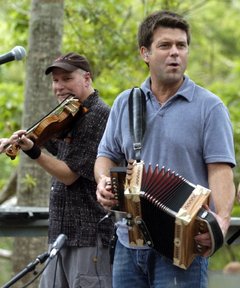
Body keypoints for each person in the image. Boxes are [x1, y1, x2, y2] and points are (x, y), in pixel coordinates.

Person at [94, 10, 236, 288]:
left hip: (183, 246)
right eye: (165, 45)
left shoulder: (210, 107)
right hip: (128, 241)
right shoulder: (126, 103)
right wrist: (102, 182)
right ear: (145, 53)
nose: (175, 53)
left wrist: (220, 223)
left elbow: (221, 171)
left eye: (181, 46)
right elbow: (106, 156)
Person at [0, 52, 113, 288]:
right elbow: (41, 140)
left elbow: (69, 174)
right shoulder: (68, 114)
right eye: (55, 80)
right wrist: (16, 141)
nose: (59, 86)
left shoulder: (99, 115)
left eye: (66, 78)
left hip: (88, 236)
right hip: (60, 234)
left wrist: (33, 151)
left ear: (87, 78)